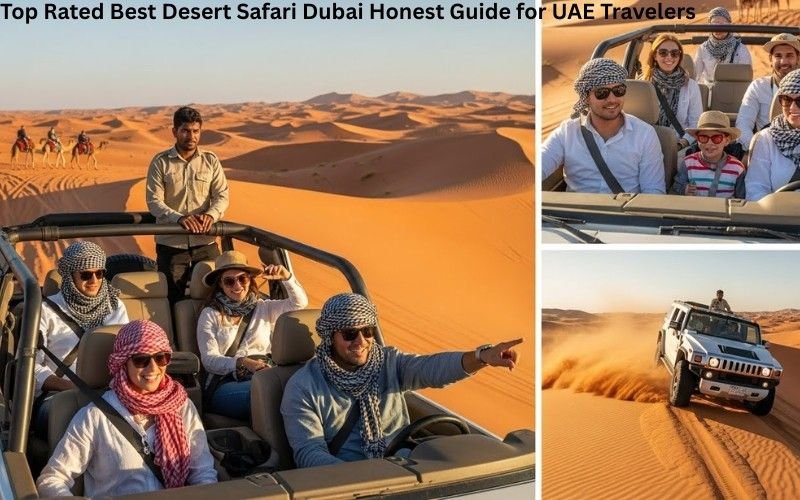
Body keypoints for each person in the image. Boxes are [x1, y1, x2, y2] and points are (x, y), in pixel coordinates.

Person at [281, 293, 523, 468]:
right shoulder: (303, 387)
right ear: (330, 337)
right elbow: (309, 453)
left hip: (406, 467)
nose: (362, 341)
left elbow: (431, 368)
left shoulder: (387, 362)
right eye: (350, 334)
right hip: (350, 480)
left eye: (368, 332)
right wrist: (365, 479)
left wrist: (482, 357)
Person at [36, 320, 217, 496]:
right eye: (141, 360)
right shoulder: (96, 416)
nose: (153, 368)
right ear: (123, 363)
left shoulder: (181, 405)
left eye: (161, 357)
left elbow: (203, 473)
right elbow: (52, 479)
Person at [197, 250, 308, 420]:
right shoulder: (210, 314)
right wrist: (243, 363)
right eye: (229, 281)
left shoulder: (263, 307)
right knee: (267, 392)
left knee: (303, 386)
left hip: (265, 373)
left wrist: (286, 277)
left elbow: (298, 304)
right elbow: (209, 360)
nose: (237, 286)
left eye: (242, 278)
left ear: (249, 280)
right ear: (220, 284)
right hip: (225, 382)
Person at [34, 242, 129, 432]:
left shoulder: (115, 306)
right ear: (70, 276)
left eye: (99, 274)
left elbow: (127, 352)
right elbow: (31, 367)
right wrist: (70, 387)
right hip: (58, 395)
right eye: (85, 275)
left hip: (110, 392)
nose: (94, 280)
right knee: (88, 418)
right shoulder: (44, 310)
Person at [541, 58, 665, 194]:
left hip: (623, 213)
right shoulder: (567, 133)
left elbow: (653, 193)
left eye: (618, 90)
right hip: (573, 214)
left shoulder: (645, 134)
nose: (612, 99)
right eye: (602, 93)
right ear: (586, 97)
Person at [146, 106, 230, 304]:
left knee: (215, 297)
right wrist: (180, 218)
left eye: (195, 131)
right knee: (173, 299)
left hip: (206, 243)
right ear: (175, 132)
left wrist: (211, 215)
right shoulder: (160, 162)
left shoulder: (210, 161)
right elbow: (153, 201)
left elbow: (222, 195)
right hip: (172, 245)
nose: (191, 136)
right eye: (185, 130)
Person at [736, 33, 800, 151]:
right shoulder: (758, 87)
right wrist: (754, 149)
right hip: (766, 147)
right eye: (778, 56)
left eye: (789, 55)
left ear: (798, 58)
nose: (783, 61)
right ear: (771, 59)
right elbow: (743, 124)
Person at [641, 33, 702, 148]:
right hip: (646, 144)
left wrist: (682, 143)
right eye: (663, 53)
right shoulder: (644, 84)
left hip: (680, 144)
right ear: (655, 55)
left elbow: (696, 124)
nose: (669, 57)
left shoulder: (690, 86)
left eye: (674, 53)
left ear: (679, 57)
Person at [746, 69, 800, 200]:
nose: (792, 108)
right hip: (777, 216)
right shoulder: (765, 139)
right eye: (786, 99)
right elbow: (756, 190)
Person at [670, 111, 745, 198]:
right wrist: (684, 189)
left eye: (716, 138)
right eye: (703, 138)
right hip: (695, 210)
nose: (709, 143)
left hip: (724, 211)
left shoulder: (737, 168)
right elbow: (676, 187)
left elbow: (742, 198)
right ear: (697, 140)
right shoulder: (688, 163)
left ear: (727, 141)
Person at [694, 7, 752, 85]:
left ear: (729, 25)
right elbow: (694, 76)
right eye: (714, 24)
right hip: (709, 92)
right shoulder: (703, 48)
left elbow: (746, 77)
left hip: (733, 91)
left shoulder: (740, 49)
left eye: (722, 25)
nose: (718, 28)